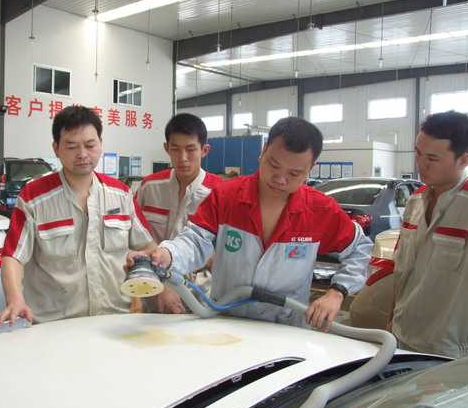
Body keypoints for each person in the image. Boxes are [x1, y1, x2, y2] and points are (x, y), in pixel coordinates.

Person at [128, 117, 372, 330]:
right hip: (227, 323)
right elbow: (195, 241)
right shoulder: (227, 197)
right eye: (273, 165)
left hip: (287, 329)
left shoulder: (319, 210)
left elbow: (360, 249)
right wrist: (167, 254)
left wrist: (337, 292)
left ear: (311, 168)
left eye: (294, 173)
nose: (280, 179)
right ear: (263, 151)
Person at [0, 106, 155, 326]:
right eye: (71, 146)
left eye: (90, 145)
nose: (82, 154)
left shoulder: (121, 194)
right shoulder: (34, 197)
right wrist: (15, 299)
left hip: (116, 320)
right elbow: (13, 256)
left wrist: (141, 266)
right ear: (56, 148)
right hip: (55, 326)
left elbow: (149, 247)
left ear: (100, 144)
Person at [390, 111, 468, 358]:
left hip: (444, 348)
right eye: (417, 153)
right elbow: (402, 271)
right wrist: (391, 318)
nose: (421, 164)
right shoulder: (416, 200)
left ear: (463, 160)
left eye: (432, 158)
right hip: (400, 333)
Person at [135, 113, 221, 313]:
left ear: (204, 150)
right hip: (152, 290)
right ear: (166, 148)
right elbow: (135, 238)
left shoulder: (219, 193)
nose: (182, 158)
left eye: (190, 149)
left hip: (200, 296)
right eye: (175, 149)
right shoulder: (149, 187)